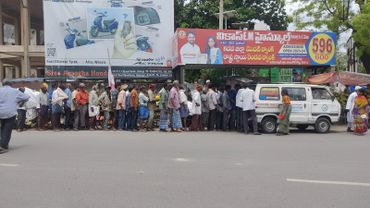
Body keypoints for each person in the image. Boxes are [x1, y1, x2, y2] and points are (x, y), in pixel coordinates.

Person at [0, 80, 30, 154]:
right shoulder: (14, 91)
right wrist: (18, 100)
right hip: (10, 113)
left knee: (1, 128)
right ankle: (3, 146)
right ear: (11, 84)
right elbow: (26, 97)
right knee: (7, 130)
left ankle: (2, 143)